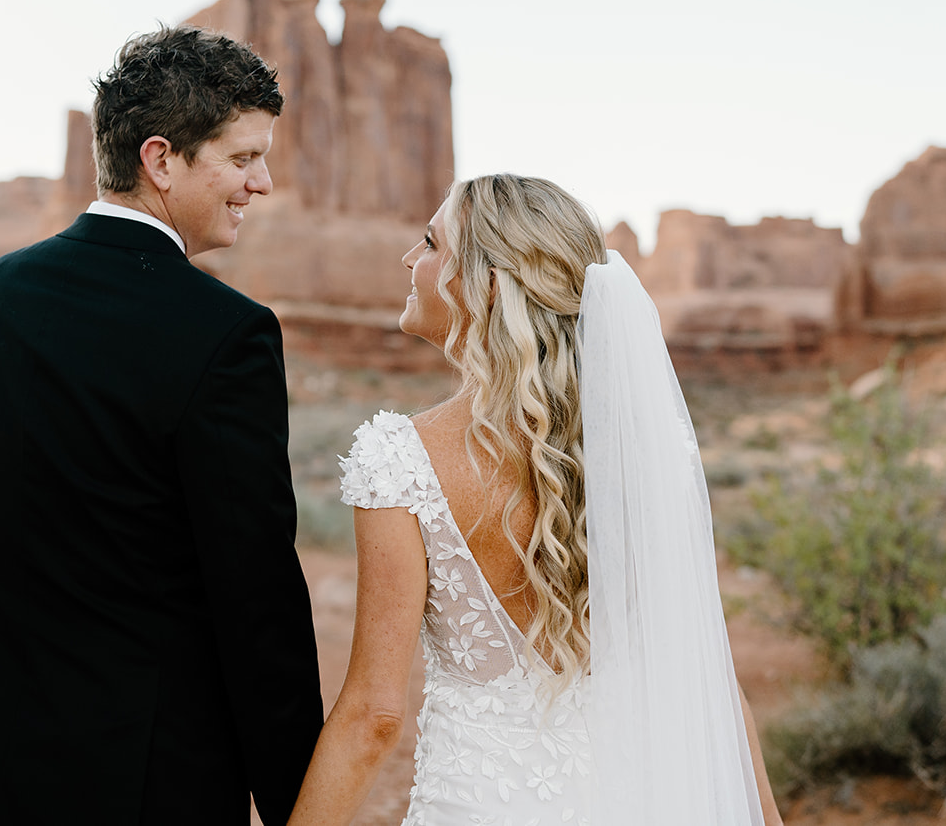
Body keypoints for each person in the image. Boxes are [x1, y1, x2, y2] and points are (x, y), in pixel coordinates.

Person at [0, 25, 324, 825]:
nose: (263, 183)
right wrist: (297, 807)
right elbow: (256, 603)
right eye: (243, 158)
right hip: (147, 789)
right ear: (162, 159)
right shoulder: (226, 333)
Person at [288, 174, 786, 825]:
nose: (410, 259)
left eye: (431, 242)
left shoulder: (401, 459)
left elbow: (374, 718)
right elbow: (712, 682)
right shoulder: (647, 455)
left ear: (487, 284)